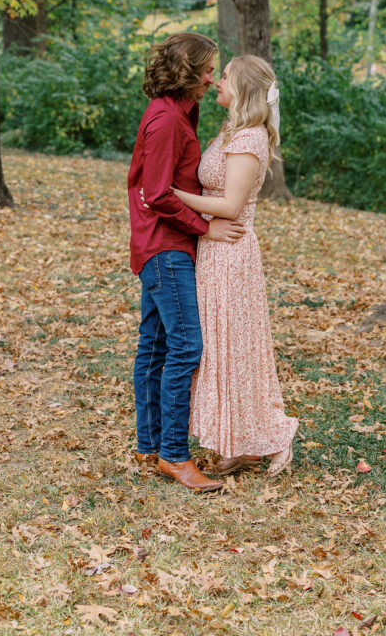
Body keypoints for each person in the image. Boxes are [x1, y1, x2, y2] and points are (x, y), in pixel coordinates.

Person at [128, 32, 245, 492]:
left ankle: (152, 444)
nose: (213, 79)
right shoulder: (167, 122)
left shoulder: (180, 113)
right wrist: (206, 228)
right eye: (208, 71)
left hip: (162, 243)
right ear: (188, 73)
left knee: (154, 346)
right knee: (185, 349)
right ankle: (175, 456)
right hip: (166, 247)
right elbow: (155, 193)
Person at [172, 55, 298, 478]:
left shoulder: (250, 140)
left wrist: (173, 196)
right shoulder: (231, 131)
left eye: (224, 76)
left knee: (235, 349)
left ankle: (276, 437)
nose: (216, 81)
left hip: (231, 253)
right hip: (212, 249)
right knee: (221, 351)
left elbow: (230, 205)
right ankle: (240, 444)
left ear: (243, 87)